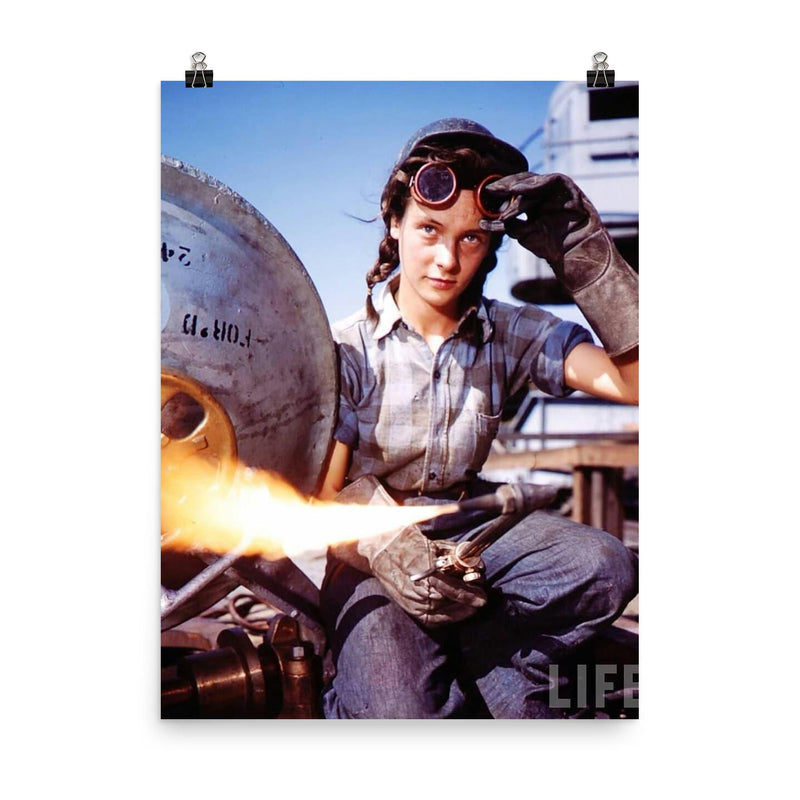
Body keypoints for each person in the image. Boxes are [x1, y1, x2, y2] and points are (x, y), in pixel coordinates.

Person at [316, 118, 639, 719]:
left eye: (470, 239)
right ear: (395, 223)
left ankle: (485, 647)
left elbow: (637, 381)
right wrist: (389, 547)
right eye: (430, 229)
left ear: (491, 246)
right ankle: (355, 687)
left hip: (469, 535)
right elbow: (327, 496)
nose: (446, 258)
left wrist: (586, 262)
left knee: (604, 567)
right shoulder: (343, 350)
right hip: (368, 548)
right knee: (398, 709)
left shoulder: (511, 334)